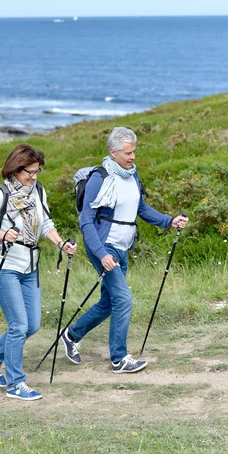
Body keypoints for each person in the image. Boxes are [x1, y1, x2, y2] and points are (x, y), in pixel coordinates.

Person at [61, 127, 188, 374]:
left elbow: (140, 207)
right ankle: (119, 358)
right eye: (127, 153)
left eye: (134, 152)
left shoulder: (132, 175)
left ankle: (71, 335)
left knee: (109, 302)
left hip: (122, 247)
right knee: (123, 299)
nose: (132, 157)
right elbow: (86, 221)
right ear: (113, 152)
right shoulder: (101, 178)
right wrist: (101, 254)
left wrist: (168, 221)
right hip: (103, 247)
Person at [0, 144, 77, 400]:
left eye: (37, 171)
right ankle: (15, 384)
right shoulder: (1, 196)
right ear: (16, 169)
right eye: (28, 172)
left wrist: (61, 243)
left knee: (32, 325)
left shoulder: (38, 191)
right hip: (4, 267)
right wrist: (1, 235)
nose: (33, 177)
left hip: (30, 267)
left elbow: (46, 224)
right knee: (18, 325)